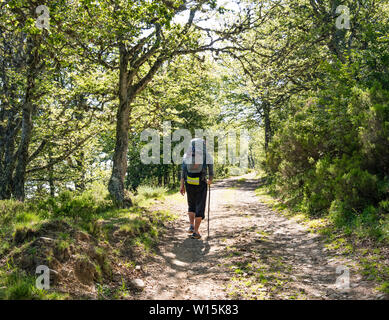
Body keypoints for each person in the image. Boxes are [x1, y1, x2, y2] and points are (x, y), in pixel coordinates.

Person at [180, 138, 213, 239]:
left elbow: (183, 172)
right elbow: (211, 172)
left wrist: (182, 185)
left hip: (189, 182)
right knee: (200, 206)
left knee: (191, 204)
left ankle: (191, 226)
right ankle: (196, 231)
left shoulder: (186, 155)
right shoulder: (207, 155)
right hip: (201, 183)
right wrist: (209, 180)